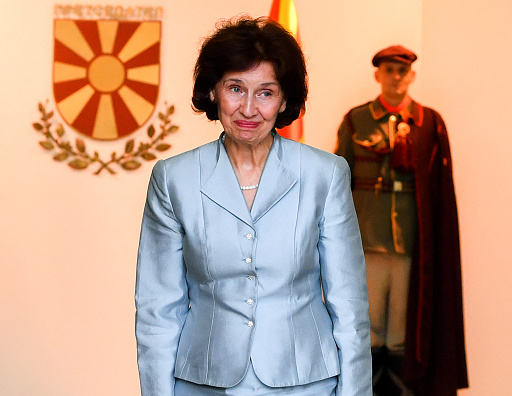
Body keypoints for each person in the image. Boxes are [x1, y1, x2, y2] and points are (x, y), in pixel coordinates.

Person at [135, 16, 372, 396]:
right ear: (213, 92)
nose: (248, 109)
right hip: (204, 383)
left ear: (284, 101)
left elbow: (350, 307)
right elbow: (157, 310)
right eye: (235, 88)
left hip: (306, 382)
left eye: (265, 92)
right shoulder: (173, 178)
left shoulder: (324, 174)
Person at [334, 45, 468, 396]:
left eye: (401, 70)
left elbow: (439, 188)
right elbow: (338, 182)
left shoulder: (429, 122)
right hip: (368, 239)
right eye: (388, 70)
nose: (395, 76)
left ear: (411, 75)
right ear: (377, 75)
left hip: (411, 242)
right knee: (370, 325)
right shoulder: (356, 120)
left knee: (402, 329)